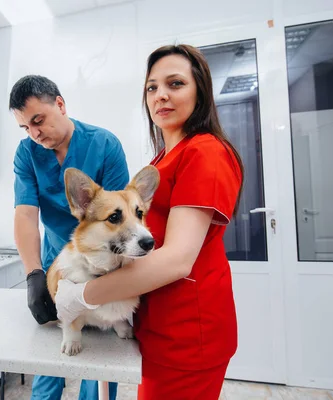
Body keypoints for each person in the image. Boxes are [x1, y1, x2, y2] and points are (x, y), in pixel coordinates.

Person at [55, 44, 245, 399]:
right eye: (152, 87)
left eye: (175, 84)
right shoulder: (163, 159)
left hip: (188, 335)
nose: (161, 96)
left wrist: (83, 295)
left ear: (199, 90)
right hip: (159, 329)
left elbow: (176, 259)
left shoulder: (205, 152)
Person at [10, 75, 129, 400]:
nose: (34, 133)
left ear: (60, 105)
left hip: (102, 270)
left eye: (38, 120)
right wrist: (34, 273)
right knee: (52, 359)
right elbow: (25, 214)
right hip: (55, 270)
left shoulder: (104, 145)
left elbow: (119, 218)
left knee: (98, 366)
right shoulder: (27, 154)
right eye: (26, 128)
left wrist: (103, 282)